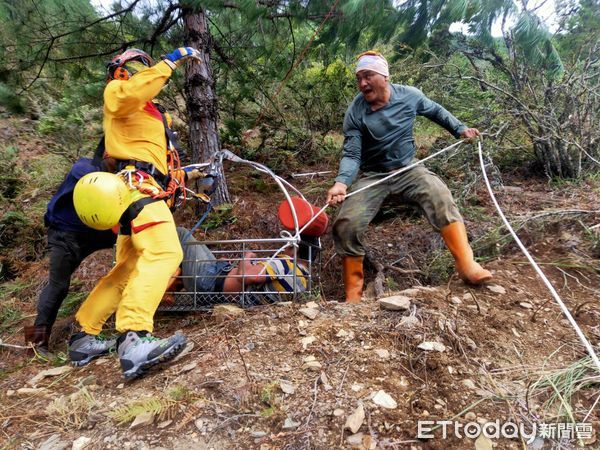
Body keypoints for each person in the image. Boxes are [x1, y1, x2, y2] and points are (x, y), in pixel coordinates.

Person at [67, 47, 203, 380]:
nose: (145, 70)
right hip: (136, 188)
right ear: (121, 70)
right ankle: (134, 336)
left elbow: (153, 160)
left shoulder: (146, 114)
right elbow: (131, 97)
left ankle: (84, 334)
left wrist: (191, 176)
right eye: (138, 66)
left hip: (139, 188)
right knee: (165, 252)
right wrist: (169, 63)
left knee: (128, 267)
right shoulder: (118, 91)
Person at [326, 51, 492, 304]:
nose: (362, 84)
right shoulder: (356, 111)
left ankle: (467, 265)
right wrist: (342, 183)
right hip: (374, 176)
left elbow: (435, 111)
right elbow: (351, 153)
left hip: (409, 169)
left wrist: (459, 129)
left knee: (439, 195)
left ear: (385, 76)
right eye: (359, 78)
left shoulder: (409, 95)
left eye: (368, 76)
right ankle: (353, 295)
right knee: (347, 222)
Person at [23, 158, 117, 358]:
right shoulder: (86, 167)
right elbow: (83, 174)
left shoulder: (123, 170)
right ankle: (36, 344)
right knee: (58, 286)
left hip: (94, 232)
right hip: (65, 234)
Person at [168, 227, 314, 304]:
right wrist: (229, 265)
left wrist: (247, 256)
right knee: (186, 252)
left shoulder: (286, 264)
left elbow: (247, 276)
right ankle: (167, 291)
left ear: (296, 248)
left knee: (180, 234)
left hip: (208, 282)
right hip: (215, 283)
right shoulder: (303, 281)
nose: (283, 248)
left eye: (288, 245)